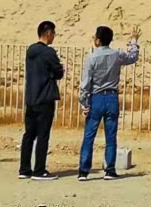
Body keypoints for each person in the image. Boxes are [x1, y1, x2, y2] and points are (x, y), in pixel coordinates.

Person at [77, 23, 139, 180]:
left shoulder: (92, 58)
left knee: (89, 136)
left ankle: (84, 171)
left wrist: (84, 103)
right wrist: (133, 41)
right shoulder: (117, 54)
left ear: (98, 41)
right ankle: (110, 170)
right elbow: (133, 57)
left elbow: (85, 84)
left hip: (95, 98)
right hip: (111, 97)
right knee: (111, 136)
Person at [19, 20, 64, 180]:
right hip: (45, 97)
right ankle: (39, 170)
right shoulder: (48, 53)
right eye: (53, 34)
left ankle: (24, 169)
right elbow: (59, 72)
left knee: (29, 134)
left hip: (31, 97)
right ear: (48, 33)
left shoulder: (31, 50)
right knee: (43, 135)